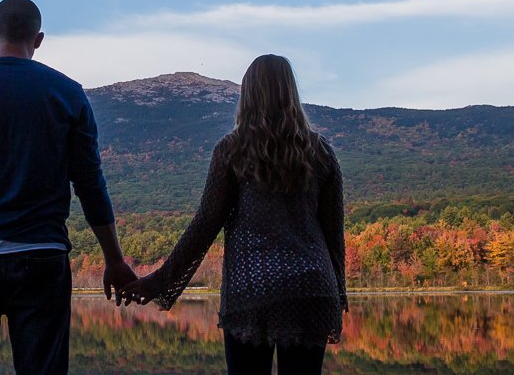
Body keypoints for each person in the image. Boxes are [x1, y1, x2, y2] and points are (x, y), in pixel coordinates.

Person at [0, 0, 138, 375]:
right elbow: (90, 184)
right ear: (38, 39)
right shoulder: (68, 93)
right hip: (42, 258)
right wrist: (114, 259)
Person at [120, 54, 346, 375]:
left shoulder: (233, 149)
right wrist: (339, 294)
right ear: (291, 92)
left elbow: (205, 225)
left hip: (250, 289)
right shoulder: (321, 151)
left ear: (247, 94)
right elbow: (333, 234)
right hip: (312, 288)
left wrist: (159, 282)